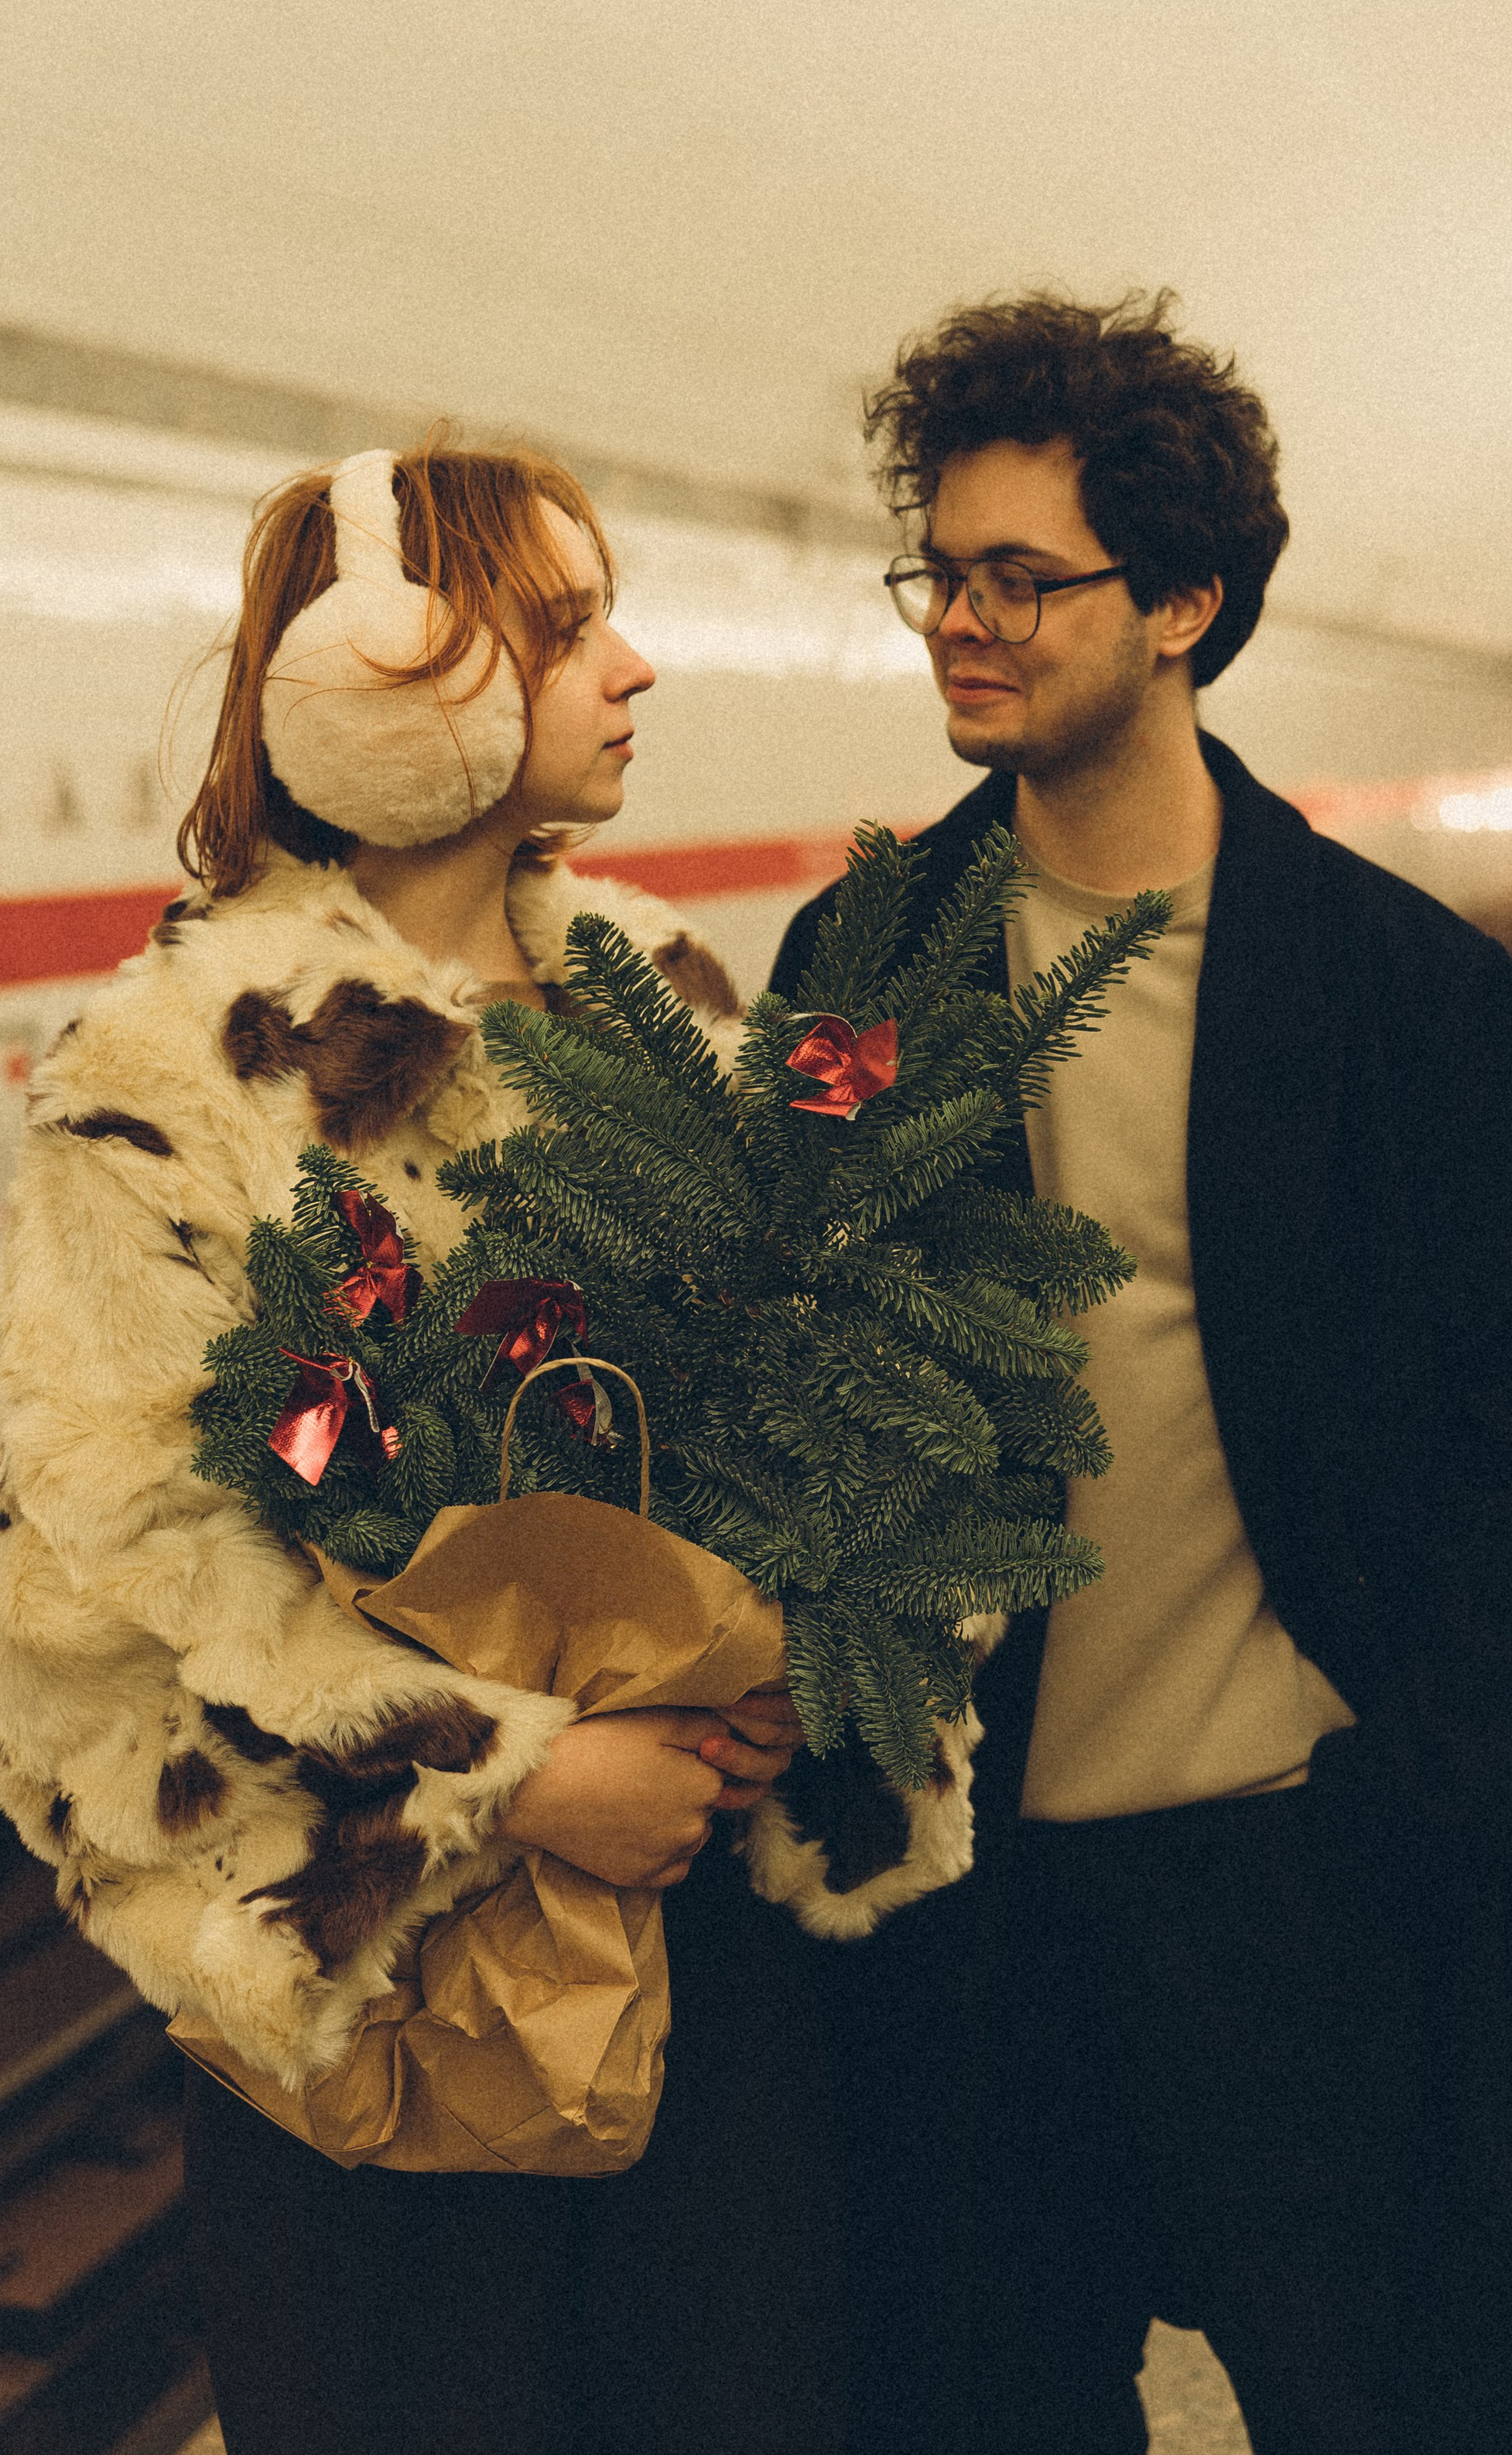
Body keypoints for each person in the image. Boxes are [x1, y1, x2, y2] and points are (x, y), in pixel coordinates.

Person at [0, 441, 951, 2455]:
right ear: (396, 678)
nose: (637, 670)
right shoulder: (155, 1076)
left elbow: (814, 1386)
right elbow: (94, 1607)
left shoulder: (660, 998)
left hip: (711, 1964)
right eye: (571, 625)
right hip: (383, 2022)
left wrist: (780, 1676)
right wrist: (518, 1778)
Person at [771, 296, 1512, 2455]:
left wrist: (1424, 1773)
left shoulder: (1392, 987)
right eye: (941, 574)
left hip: (1304, 1879)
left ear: (1181, 602)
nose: (960, 626)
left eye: (1020, 579)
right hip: (977, 1918)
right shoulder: (860, 969)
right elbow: (790, 1367)